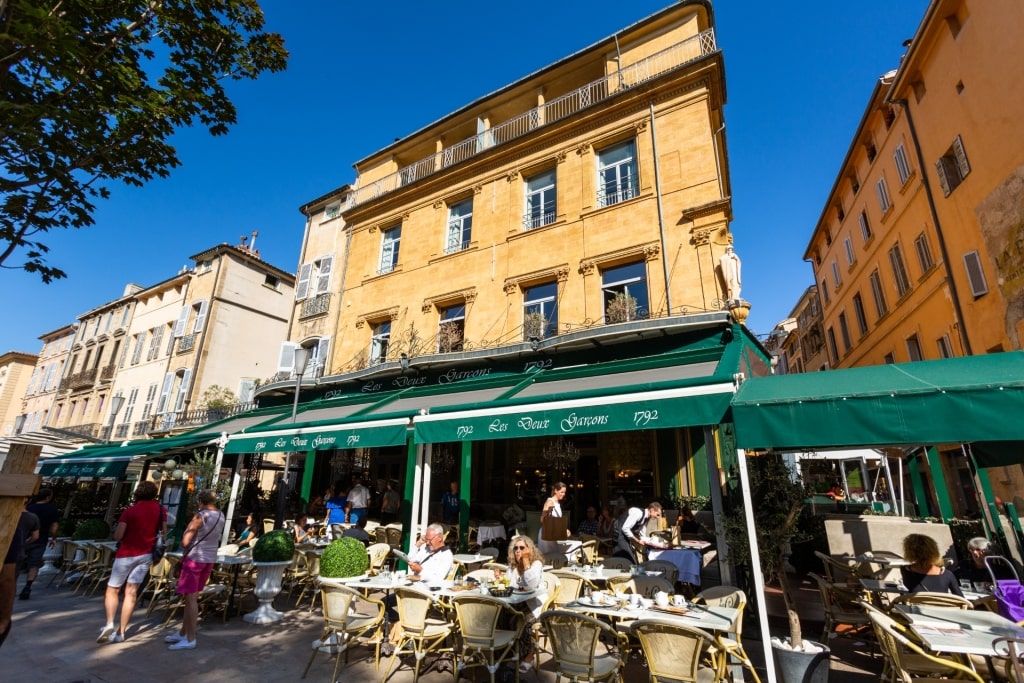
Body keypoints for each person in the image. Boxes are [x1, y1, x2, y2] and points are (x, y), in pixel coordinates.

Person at [99, 481, 165, 644]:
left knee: (113, 589)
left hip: (126, 554)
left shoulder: (130, 511)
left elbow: (118, 536)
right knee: (131, 592)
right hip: (146, 555)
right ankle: (121, 632)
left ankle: (109, 623)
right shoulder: (160, 510)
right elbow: (164, 532)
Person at [166, 489, 225, 650]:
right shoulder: (221, 516)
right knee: (191, 597)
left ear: (200, 501)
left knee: (191, 599)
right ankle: (183, 632)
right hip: (209, 559)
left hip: (195, 559)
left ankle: (191, 638)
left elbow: (185, 541)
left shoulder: (201, 516)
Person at [503, 535, 546, 674]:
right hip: (516, 603)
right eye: (515, 548)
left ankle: (529, 655)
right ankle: (509, 652)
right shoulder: (512, 566)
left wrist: (526, 562)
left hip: (534, 604)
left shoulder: (536, 564)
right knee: (501, 617)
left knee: (525, 622)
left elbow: (531, 584)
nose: (518, 550)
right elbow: (509, 586)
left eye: (522, 547)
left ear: (529, 549)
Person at [21, 488, 60, 600]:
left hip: (24, 538)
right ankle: (28, 586)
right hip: (40, 539)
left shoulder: (29, 508)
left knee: (17, 562)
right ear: (48, 497)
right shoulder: (52, 509)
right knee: (34, 563)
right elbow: (54, 525)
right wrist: (54, 538)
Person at [538, 482, 571, 557]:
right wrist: (546, 513)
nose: (563, 494)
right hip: (546, 534)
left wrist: (564, 530)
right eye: (561, 492)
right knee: (548, 558)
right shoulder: (550, 501)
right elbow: (542, 520)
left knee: (554, 558)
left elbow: (556, 522)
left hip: (552, 534)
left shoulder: (557, 503)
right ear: (555, 490)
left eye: (564, 492)